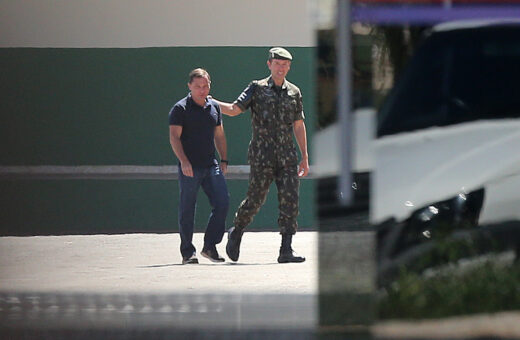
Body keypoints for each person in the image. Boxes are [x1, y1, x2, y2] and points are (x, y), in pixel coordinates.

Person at [213, 47, 309, 263]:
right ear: (269, 64)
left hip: (287, 157)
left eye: (285, 65)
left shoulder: (294, 92)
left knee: (290, 200)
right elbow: (235, 109)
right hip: (262, 156)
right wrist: (212, 102)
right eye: (277, 63)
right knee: (255, 199)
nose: (281, 68)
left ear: (289, 67)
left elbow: (299, 124)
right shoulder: (256, 88)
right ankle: (236, 231)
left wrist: (305, 156)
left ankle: (286, 249)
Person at [169, 68, 230, 265]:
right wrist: (184, 162)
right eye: (197, 87)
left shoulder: (214, 107)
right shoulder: (180, 109)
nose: (202, 90)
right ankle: (188, 252)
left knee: (222, 202)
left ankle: (210, 246)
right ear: (189, 87)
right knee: (187, 208)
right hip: (190, 167)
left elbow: (219, 135)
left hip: (211, 165)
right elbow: (174, 138)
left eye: (205, 86)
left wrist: (224, 159)